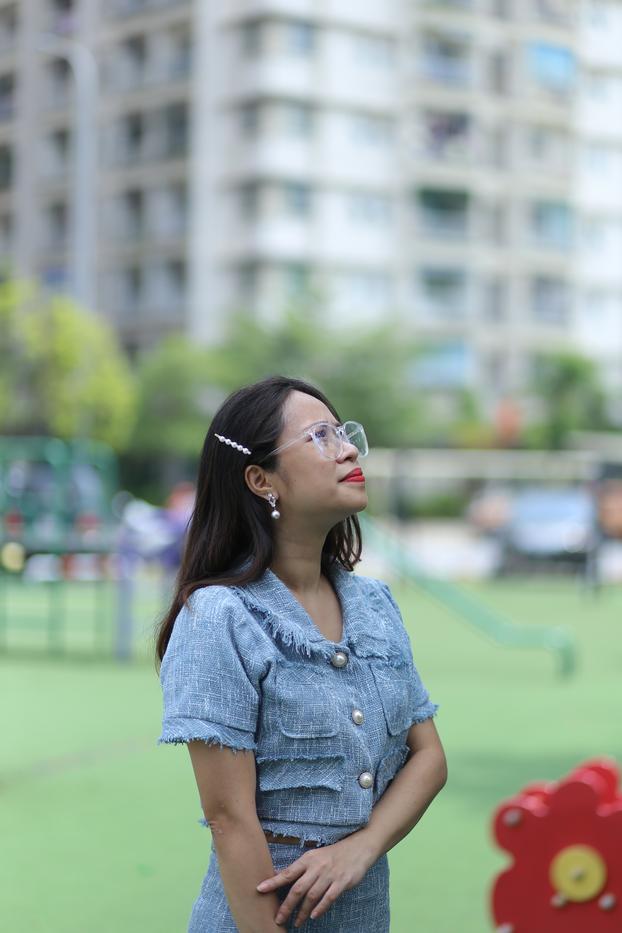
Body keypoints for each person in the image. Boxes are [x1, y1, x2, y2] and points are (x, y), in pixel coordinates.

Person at [155, 374, 447, 932]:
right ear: (261, 479)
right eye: (320, 437)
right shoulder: (220, 616)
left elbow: (429, 756)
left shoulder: (375, 604)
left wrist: (361, 847)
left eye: (344, 433)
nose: (348, 450)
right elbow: (229, 819)